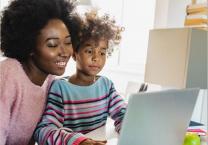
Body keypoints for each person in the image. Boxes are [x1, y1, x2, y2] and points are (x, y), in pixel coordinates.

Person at [34, 10, 127, 145]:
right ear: (74, 53)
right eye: (89, 51)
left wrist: (127, 129)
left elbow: (123, 114)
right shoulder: (60, 88)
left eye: (102, 52)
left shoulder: (106, 85)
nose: (96, 58)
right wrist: (80, 142)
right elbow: (44, 131)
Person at [0, 0, 78, 144]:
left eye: (68, 42)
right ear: (29, 46)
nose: (65, 52)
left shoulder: (50, 80)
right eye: (52, 45)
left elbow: (45, 130)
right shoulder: (7, 74)